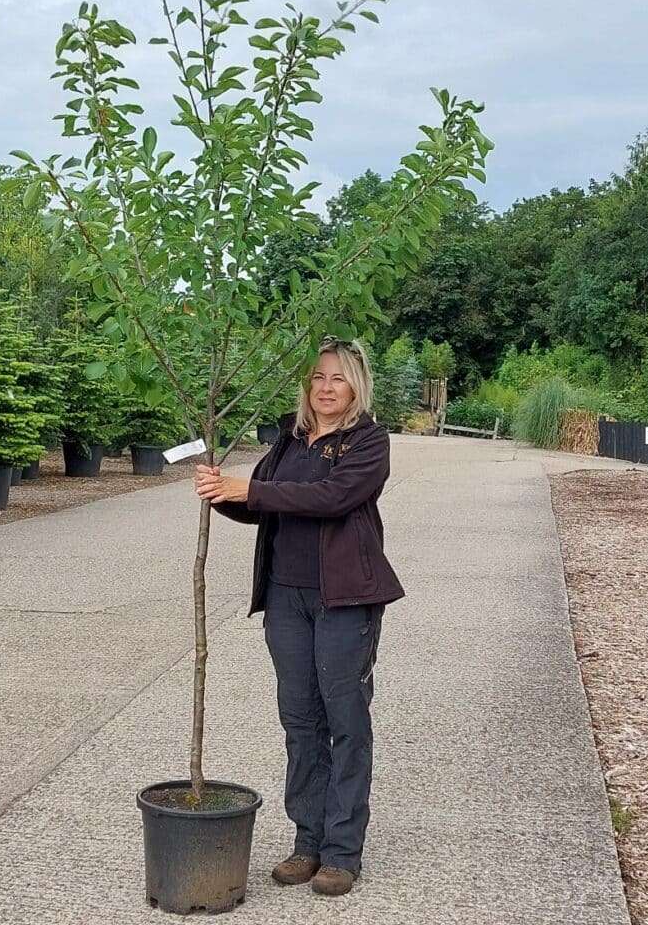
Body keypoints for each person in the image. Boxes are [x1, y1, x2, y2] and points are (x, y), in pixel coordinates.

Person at [193, 337, 405, 898]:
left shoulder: (368, 441)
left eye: (337, 378)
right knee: (300, 720)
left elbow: (331, 497)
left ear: (356, 384)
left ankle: (341, 851)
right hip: (287, 599)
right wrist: (223, 493)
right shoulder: (290, 440)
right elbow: (267, 502)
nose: (326, 387)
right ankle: (307, 841)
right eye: (317, 378)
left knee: (346, 721)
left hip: (344, 600)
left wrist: (254, 488)